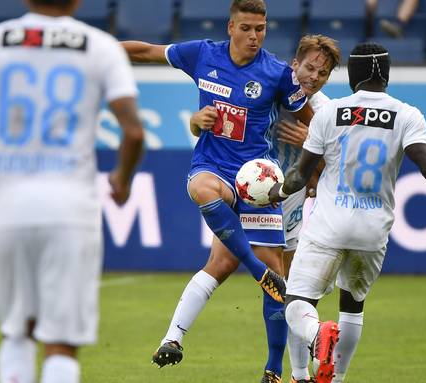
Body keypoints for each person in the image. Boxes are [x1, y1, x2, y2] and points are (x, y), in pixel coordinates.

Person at [269, 42, 426, 383]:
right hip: (372, 232)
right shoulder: (407, 115)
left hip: (329, 225)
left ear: (352, 74)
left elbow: (299, 176)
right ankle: (335, 379)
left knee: (297, 300)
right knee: (352, 306)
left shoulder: (330, 112)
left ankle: (309, 352)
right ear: (388, 74)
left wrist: (275, 193)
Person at [0, 0, 145, 382]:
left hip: (5, 206)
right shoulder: (100, 46)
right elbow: (133, 132)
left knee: (16, 332)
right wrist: (122, 179)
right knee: (61, 342)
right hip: (70, 210)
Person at [120, 1, 314, 381]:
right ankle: (255, 270)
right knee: (203, 189)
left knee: (238, 267)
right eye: (246, 28)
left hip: (257, 179)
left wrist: (313, 142)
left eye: (260, 28)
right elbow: (145, 52)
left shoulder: (277, 74)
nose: (254, 36)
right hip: (214, 167)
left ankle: (272, 370)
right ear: (230, 27)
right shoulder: (202, 54)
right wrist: (97, 51)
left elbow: (314, 122)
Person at [190, 34, 341, 383]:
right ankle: (297, 365)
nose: (314, 77)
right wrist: (198, 121)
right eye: (310, 67)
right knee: (267, 283)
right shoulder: (270, 91)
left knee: (292, 291)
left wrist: (312, 148)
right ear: (295, 65)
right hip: (256, 201)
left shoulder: (324, 113)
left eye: (322, 73)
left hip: (295, 208)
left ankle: (303, 362)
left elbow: (335, 172)